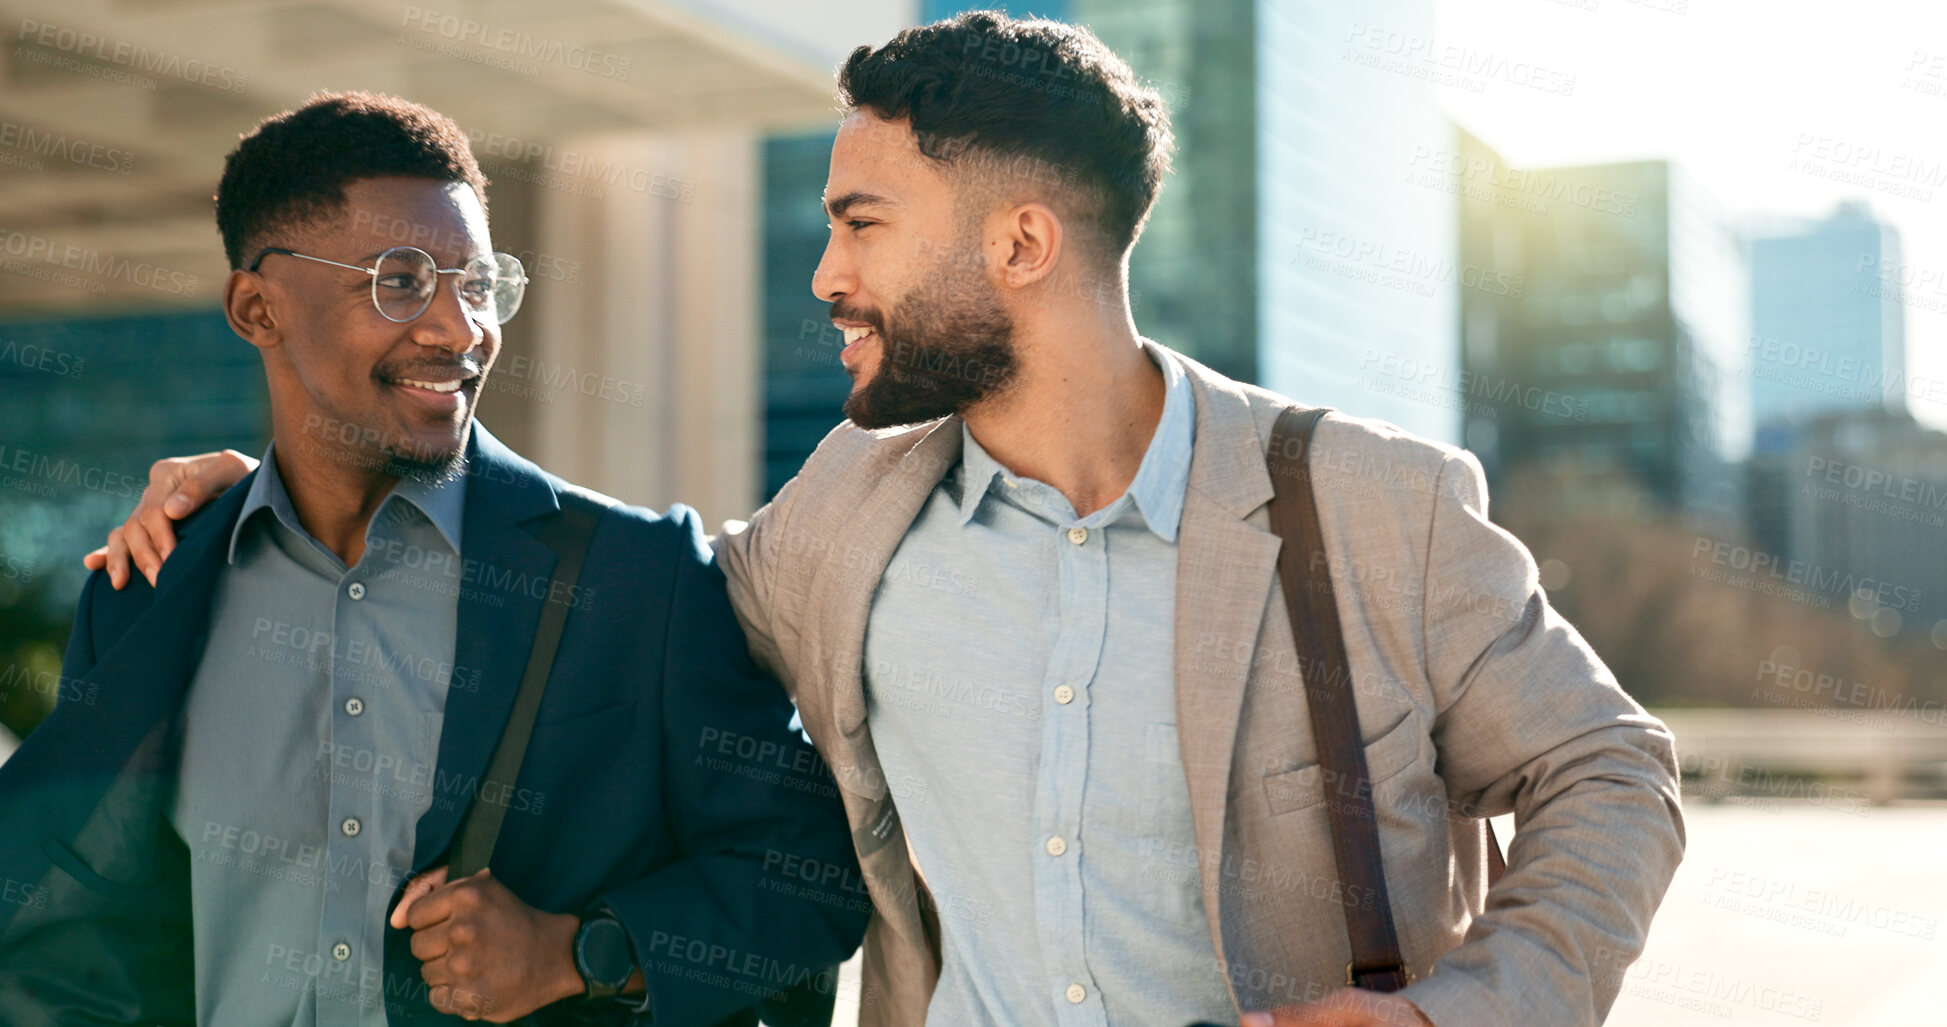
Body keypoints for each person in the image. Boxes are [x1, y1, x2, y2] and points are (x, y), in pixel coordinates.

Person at [90, 14, 1685, 1027]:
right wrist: (269, 495)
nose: (823, 272)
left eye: (860, 222)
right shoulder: (831, 531)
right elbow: (580, 588)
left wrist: (1456, 1014)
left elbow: (1608, 772)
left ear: (1015, 239)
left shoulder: (1367, 506)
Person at [10, 92, 866, 1027]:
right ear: (257, 308)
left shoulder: (636, 576)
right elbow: (76, 930)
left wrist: (584, 950)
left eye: (478, 282)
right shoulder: (150, 588)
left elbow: (811, 874)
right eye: (402, 281)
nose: (461, 330)